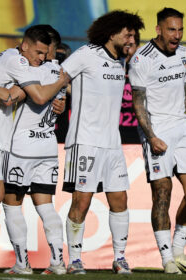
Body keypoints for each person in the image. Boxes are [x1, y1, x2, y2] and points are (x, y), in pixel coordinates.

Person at [0, 25, 69, 274]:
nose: (41, 58)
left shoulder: (10, 57)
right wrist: (60, 84)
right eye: (38, 52)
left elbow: (15, 95)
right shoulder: (18, 61)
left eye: (45, 53)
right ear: (26, 45)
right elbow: (15, 98)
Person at [60, 10, 144, 274]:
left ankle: (120, 258)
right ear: (112, 34)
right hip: (85, 141)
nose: (131, 38)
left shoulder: (119, 62)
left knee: (120, 199)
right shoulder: (86, 54)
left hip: (112, 144)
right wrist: (58, 96)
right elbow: (59, 77)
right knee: (81, 202)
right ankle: (74, 260)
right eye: (127, 33)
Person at [129, 7, 186, 274]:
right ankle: (166, 259)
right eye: (172, 29)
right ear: (159, 29)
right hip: (157, 127)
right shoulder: (141, 59)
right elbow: (137, 102)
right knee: (162, 192)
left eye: (180, 29)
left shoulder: (184, 54)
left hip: (182, 127)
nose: (177, 35)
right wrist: (150, 136)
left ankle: (178, 250)